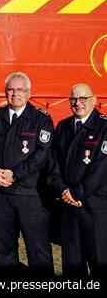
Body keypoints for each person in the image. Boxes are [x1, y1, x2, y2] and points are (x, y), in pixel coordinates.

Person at [0, 72, 54, 275]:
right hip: (1, 195)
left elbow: (42, 154)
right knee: (5, 250)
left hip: (29, 194)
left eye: (20, 90)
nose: (15, 94)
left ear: (29, 93)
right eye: (11, 90)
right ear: (5, 92)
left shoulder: (40, 119)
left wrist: (15, 174)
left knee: (38, 249)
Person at [49, 83, 107, 280]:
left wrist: (77, 193)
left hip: (94, 207)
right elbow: (53, 162)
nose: (78, 103)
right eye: (73, 99)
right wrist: (62, 189)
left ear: (94, 100)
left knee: (99, 260)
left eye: (83, 98)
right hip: (68, 207)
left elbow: (101, 168)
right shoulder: (64, 127)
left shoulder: (104, 126)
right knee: (72, 264)